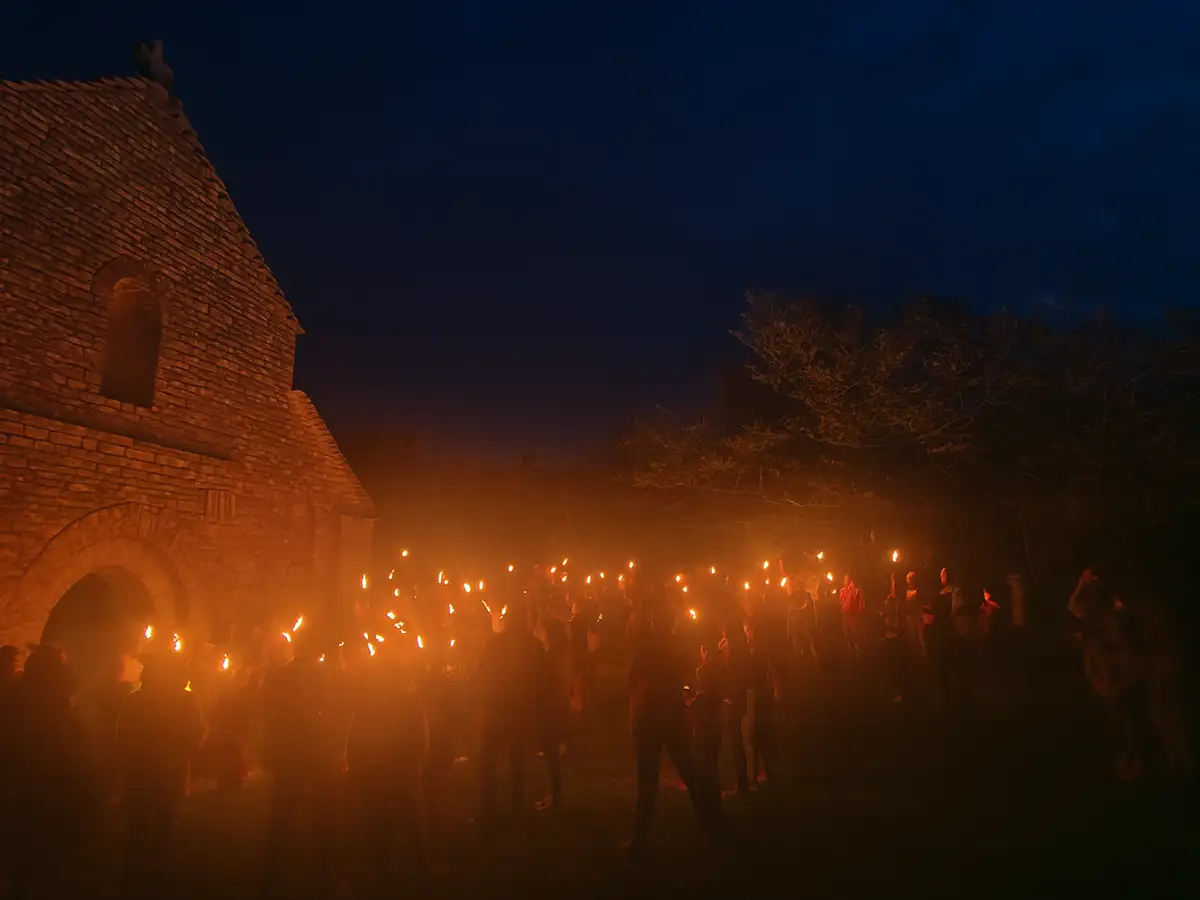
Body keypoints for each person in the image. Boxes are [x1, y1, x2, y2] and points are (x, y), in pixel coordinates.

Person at [626, 601, 725, 853]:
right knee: (690, 774)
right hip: (670, 718)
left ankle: (643, 837)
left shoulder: (646, 650)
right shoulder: (675, 648)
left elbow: (633, 683)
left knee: (649, 780)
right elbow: (686, 678)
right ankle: (713, 827)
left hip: (653, 719)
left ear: (653, 622)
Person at [2, 645, 93, 900]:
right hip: (48, 797)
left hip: (22, 798)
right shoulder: (58, 710)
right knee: (46, 869)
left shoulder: (14, 701)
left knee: (25, 867)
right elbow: (75, 756)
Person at [117, 653, 206, 900]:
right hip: (167, 772)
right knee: (162, 829)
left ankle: (134, 882)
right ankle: (156, 879)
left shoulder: (135, 701)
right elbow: (197, 735)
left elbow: (122, 738)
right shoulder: (186, 701)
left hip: (142, 774)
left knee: (139, 830)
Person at [260, 631, 338, 897]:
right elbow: (331, 708)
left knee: (286, 812)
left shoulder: (282, 676)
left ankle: (275, 869)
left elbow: (267, 713)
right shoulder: (318, 674)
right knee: (318, 813)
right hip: (310, 751)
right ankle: (319, 871)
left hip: (295, 753)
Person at [346, 656, 429, 888]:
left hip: (379, 772)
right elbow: (421, 735)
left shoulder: (369, 704)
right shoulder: (409, 702)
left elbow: (355, 737)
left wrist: (355, 765)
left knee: (381, 822)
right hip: (399, 771)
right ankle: (418, 869)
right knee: (410, 821)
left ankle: (388, 872)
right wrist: (417, 764)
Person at [476, 601, 549, 822]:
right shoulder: (533, 645)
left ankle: (488, 808)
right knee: (516, 759)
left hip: (498, 707)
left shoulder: (495, 643)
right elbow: (541, 679)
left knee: (489, 758)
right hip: (518, 708)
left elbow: (482, 674)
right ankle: (514, 806)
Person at [840, 575, 864, 657]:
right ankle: (850, 650)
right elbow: (841, 602)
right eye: (845, 579)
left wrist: (859, 613)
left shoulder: (857, 590)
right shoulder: (842, 590)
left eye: (847, 579)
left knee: (855, 633)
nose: (846, 581)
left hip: (854, 615)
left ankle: (858, 651)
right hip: (845, 615)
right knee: (847, 633)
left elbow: (860, 603)